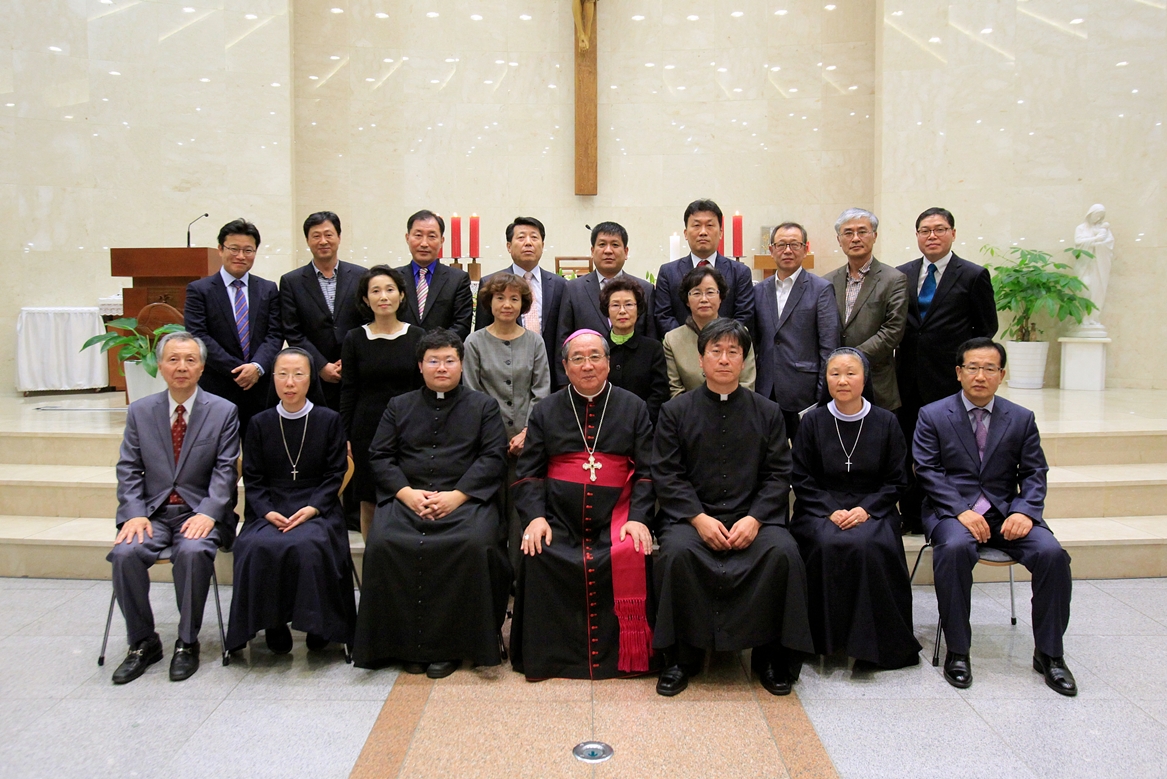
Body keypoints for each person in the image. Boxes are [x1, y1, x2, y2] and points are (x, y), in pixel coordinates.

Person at [652, 319, 814, 697]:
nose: (724, 359)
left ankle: (771, 660)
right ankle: (680, 660)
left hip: (754, 517)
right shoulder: (675, 412)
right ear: (701, 359)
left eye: (733, 352)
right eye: (716, 351)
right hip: (692, 518)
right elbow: (668, 474)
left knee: (783, 553)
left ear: (744, 360)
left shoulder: (769, 412)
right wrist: (699, 519)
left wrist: (754, 519)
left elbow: (778, 475)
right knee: (675, 554)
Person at [915, 338, 1076, 696]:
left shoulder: (1020, 418)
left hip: (1006, 513)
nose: (980, 376)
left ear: (1001, 375)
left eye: (989, 368)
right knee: (954, 550)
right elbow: (926, 470)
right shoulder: (933, 415)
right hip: (952, 512)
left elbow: (1034, 472)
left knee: (1052, 554)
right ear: (959, 373)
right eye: (973, 367)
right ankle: (959, 651)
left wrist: (1025, 511)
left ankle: (1050, 654)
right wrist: (961, 510)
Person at [352, 330, 511, 677]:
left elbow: (492, 457)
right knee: (383, 542)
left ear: (461, 364)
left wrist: (457, 496)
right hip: (408, 499)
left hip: (464, 500)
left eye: (449, 360)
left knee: (474, 544)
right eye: (433, 361)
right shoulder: (399, 405)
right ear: (420, 365)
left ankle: (454, 648)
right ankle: (402, 645)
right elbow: (380, 455)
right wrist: (406, 493)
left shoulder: (483, 406)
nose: (442, 368)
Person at [511, 329, 656, 680]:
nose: (587, 365)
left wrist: (638, 518)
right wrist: (535, 518)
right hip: (559, 521)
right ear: (565, 366)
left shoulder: (634, 407)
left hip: (616, 520)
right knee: (537, 553)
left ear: (608, 362)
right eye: (577, 358)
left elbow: (648, 472)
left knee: (634, 550)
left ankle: (625, 658)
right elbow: (528, 473)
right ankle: (551, 659)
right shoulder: (545, 410)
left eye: (595, 356)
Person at [107, 332, 240, 684]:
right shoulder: (140, 411)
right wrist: (134, 512)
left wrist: (208, 512)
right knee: (124, 553)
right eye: (173, 359)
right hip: (152, 514)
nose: (182, 367)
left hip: (200, 513)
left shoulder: (223, 411)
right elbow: (129, 468)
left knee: (193, 552)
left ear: (202, 367)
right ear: (160, 365)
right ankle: (142, 641)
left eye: (190, 360)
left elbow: (226, 470)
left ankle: (187, 641)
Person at [790, 348, 920, 669]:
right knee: (824, 542)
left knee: (868, 544)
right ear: (826, 380)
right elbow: (801, 477)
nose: (843, 380)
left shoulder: (886, 422)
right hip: (821, 506)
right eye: (835, 374)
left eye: (851, 373)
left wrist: (867, 510)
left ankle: (871, 646)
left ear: (865, 378)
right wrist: (829, 509)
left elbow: (897, 479)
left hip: (874, 505)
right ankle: (822, 641)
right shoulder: (812, 421)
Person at [226, 348, 356, 655]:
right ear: (272, 379)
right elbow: (254, 478)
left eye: (299, 374)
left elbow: (335, 473)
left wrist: (313, 508)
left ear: (311, 379)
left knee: (310, 544)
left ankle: (319, 625)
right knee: (256, 545)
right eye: (282, 374)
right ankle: (272, 623)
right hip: (270, 505)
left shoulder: (329, 420)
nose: (290, 382)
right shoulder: (259, 423)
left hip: (318, 506)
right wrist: (267, 511)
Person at [896, 207, 998, 533]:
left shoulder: (972, 275)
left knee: (947, 452)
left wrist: (966, 370)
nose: (932, 236)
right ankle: (911, 515)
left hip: (949, 382)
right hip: (907, 380)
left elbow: (986, 329)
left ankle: (947, 513)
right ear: (917, 236)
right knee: (909, 449)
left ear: (953, 233)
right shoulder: (902, 274)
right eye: (925, 230)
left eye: (939, 229)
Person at [463, 273, 551, 574]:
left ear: (523, 304)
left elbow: (541, 391)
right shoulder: (474, 342)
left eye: (514, 298)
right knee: (490, 514)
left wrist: (527, 433)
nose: (507, 304)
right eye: (500, 298)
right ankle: (493, 578)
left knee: (521, 514)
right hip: (487, 445)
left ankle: (520, 578)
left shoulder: (535, 341)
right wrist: (495, 438)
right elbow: (471, 394)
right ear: (489, 302)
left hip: (528, 445)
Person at [339, 265, 424, 538]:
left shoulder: (418, 336)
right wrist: (345, 435)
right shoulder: (355, 338)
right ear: (366, 299)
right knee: (369, 499)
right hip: (366, 429)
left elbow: (422, 388)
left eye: (390, 289)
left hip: (409, 428)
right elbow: (348, 390)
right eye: (375, 291)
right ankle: (373, 558)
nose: (383, 296)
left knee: (409, 496)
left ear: (402, 295)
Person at [184, 219, 282, 441]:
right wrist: (238, 370)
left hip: (260, 388)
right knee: (215, 451)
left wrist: (256, 368)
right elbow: (198, 336)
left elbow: (275, 334)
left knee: (259, 451)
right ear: (220, 249)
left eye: (248, 250)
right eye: (234, 249)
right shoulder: (199, 290)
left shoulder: (268, 289)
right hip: (217, 386)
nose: (241, 256)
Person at [753, 222, 839, 441]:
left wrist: (822, 394)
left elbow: (829, 347)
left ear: (805, 248)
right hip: (765, 390)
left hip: (804, 392)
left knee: (803, 454)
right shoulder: (759, 290)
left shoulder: (821, 289)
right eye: (781, 245)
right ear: (771, 250)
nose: (788, 250)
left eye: (794, 244)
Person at [823, 208, 908, 411]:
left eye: (862, 232)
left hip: (876, 381)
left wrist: (852, 358)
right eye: (848, 233)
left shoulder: (894, 280)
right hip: (836, 384)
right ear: (839, 239)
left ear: (874, 236)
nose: (855, 238)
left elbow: (892, 331)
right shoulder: (827, 281)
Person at [279, 211, 364, 412]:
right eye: (316, 236)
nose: (323, 241)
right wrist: (320, 365)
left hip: (355, 373)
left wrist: (349, 360)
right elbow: (292, 331)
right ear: (307, 240)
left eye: (329, 234)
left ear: (339, 237)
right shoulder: (291, 281)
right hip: (313, 377)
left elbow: (368, 322)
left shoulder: (360, 275)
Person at [555, 221, 656, 384]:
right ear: (592, 251)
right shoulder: (573, 289)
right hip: (586, 380)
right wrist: (563, 383)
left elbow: (651, 337)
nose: (608, 250)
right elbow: (563, 338)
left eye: (615, 245)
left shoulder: (645, 289)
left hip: (635, 382)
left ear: (626, 252)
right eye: (602, 244)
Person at [474, 216, 566, 391]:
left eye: (534, 237)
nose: (528, 243)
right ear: (509, 246)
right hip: (502, 376)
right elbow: (483, 330)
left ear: (542, 245)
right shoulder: (490, 283)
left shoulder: (560, 285)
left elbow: (563, 333)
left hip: (550, 375)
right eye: (521, 237)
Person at [654, 199, 755, 336]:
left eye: (709, 225)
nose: (703, 232)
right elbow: (664, 316)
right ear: (685, 233)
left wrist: (717, 343)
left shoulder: (740, 272)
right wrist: (684, 342)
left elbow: (744, 315)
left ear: (721, 232)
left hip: (725, 345)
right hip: (681, 346)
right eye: (696, 225)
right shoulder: (668, 272)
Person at [663, 265, 757, 397]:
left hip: (737, 407)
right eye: (696, 293)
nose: (704, 299)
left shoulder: (740, 334)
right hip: (689, 409)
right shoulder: (672, 340)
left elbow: (747, 384)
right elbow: (675, 390)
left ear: (720, 297)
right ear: (687, 300)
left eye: (710, 292)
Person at [396, 209, 474, 340]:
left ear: (442, 240)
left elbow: (461, 325)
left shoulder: (458, 279)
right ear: (407, 238)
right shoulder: (394, 278)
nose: (424, 243)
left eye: (432, 236)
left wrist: (434, 348)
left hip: (442, 351)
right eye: (418, 235)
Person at [602, 277, 669, 424]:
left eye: (628, 304)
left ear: (638, 309)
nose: (622, 311)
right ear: (606, 310)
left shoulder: (653, 348)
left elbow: (660, 393)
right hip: (603, 426)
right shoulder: (598, 348)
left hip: (644, 426)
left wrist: (639, 422)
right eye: (615, 305)